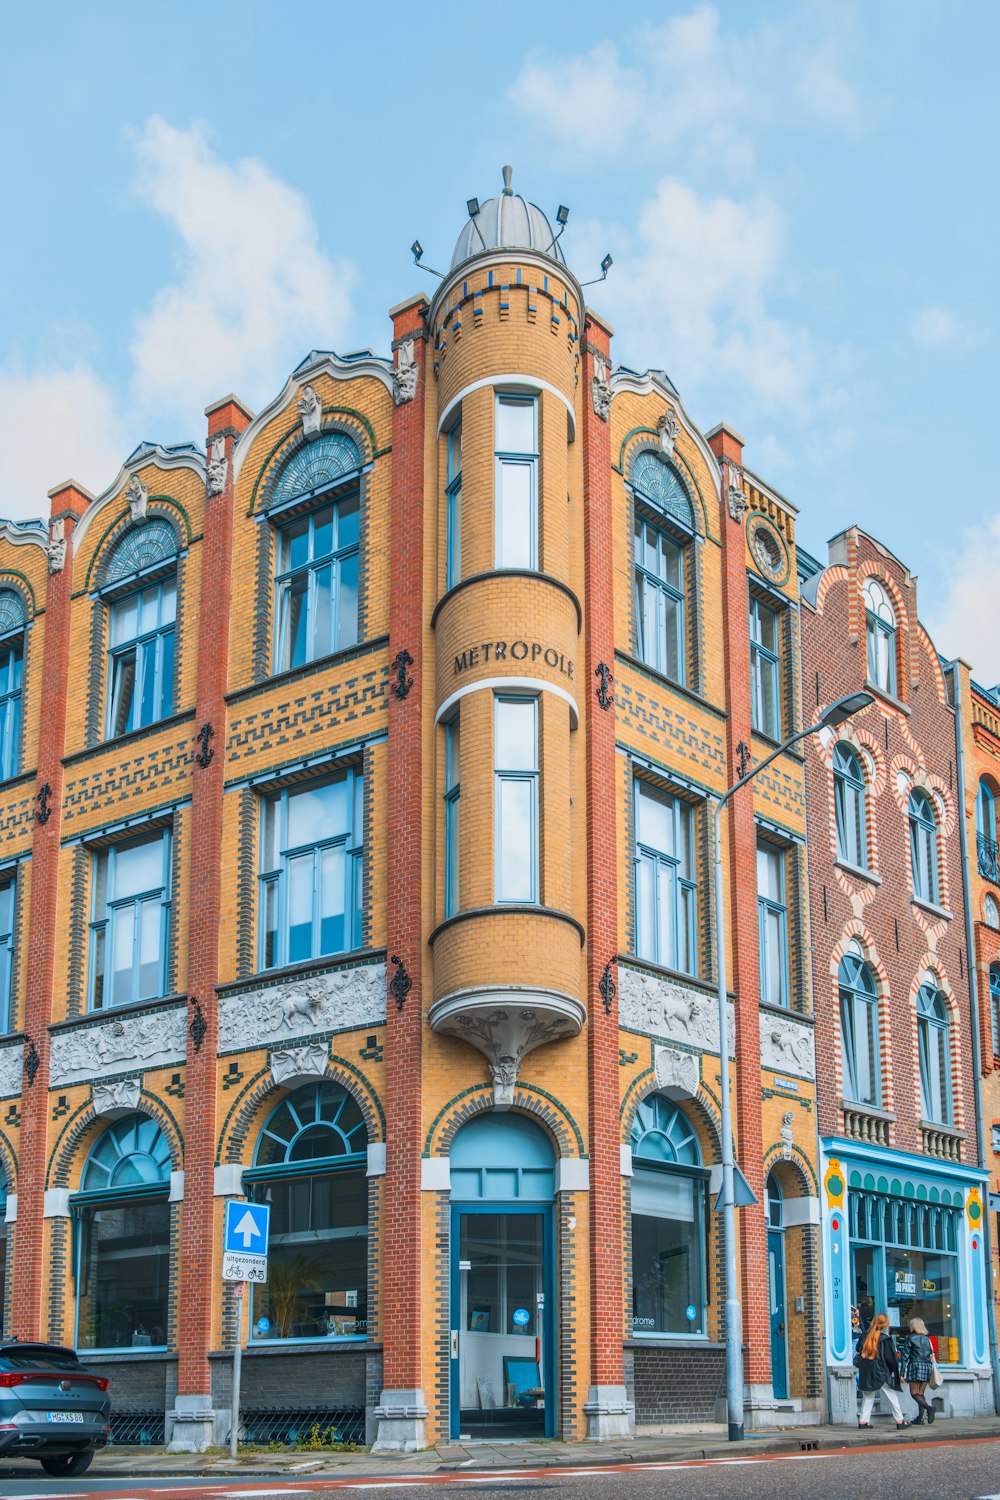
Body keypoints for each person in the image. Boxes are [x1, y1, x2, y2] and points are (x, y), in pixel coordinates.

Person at [854, 1312, 910, 1429]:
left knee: (868, 1396)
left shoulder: (864, 1336)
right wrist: (896, 1373)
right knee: (891, 1395)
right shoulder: (885, 1339)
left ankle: (863, 1421)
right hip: (881, 1372)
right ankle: (900, 1420)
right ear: (885, 1324)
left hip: (867, 1371)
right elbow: (891, 1359)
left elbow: (858, 1350)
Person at [903, 1317, 935, 1424]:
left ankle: (929, 1408)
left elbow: (905, 1356)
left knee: (914, 1393)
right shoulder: (927, 1339)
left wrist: (902, 1373)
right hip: (927, 1366)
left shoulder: (910, 1338)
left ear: (913, 1327)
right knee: (920, 1393)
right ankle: (920, 1419)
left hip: (915, 1365)